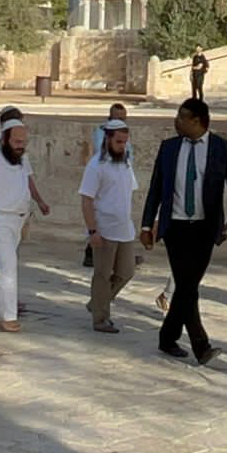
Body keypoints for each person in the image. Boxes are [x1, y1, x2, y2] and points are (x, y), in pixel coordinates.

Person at [140, 98, 227, 366]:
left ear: (197, 121)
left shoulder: (223, 149)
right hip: (175, 226)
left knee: (187, 285)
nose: (176, 121)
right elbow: (155, 189)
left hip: (205, 227)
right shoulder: (169, 148)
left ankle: (167, 336)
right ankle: (202, 345)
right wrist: (146, 225)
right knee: (187, 286)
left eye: (181, 116)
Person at [0, 119, 47, 331]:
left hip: (17, 219)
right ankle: (8, 316)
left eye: (23, 141)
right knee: (7, 267)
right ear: (5, 138)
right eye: (16, 141)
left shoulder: (19, 156)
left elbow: (27, 179)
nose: (20, 145)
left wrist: (39, 201)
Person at [79, 119, 140, 333]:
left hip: (125, 228)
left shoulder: (126, 162)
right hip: (104, 229)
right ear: (108, 139)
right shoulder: (96, 166)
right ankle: (100, 318)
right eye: (119, 142)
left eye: (125, 142)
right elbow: (86, 200)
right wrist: (92, 230)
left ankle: (97, 303)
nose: (122, 146)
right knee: (102, 275)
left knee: (126, 272)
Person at [85, 103, 128, 267]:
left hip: (119, 177)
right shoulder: (101, 132)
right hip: (104, 178)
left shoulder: (123, 135)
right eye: (118, 118)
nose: (122, 121)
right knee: (99, 215)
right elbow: (100, 150)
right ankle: (91, 250)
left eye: (124, 118)